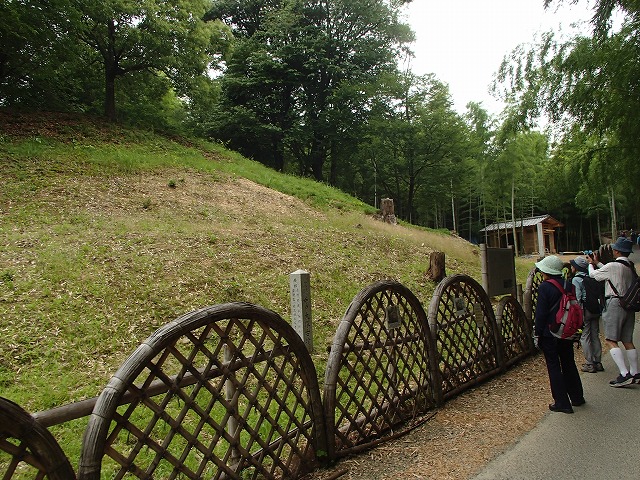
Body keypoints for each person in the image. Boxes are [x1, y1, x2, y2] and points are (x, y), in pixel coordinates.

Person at [534, 255, 585, 413]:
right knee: (569, 363)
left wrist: (537, 334)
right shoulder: (569, 285)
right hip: (567, 330)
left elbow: (541, 314)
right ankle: (577, 397)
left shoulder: (545, 287)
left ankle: (562, 402)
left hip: (550, 332)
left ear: (546, 270)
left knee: (554, 366)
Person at [586, 236, 638, 386]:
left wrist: (591, 265)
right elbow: (611, 272)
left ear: (616, 251)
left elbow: (594, 276)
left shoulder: (613, 266)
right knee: (627, 340)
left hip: (615, 303)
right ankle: (635, 372)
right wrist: (598, 263)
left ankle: (624, 373)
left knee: (610, 339)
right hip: (629, 304)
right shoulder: (630, 266)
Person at [570, 256, 603, 373]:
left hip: (585, 310)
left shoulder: (576, 280)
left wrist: (577, 313)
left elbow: (577, 297)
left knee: (585, 336)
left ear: (577, 268)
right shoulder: (591, 276)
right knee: (595, 335)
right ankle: (598, 361)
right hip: (595, 309)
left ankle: (589, 363)